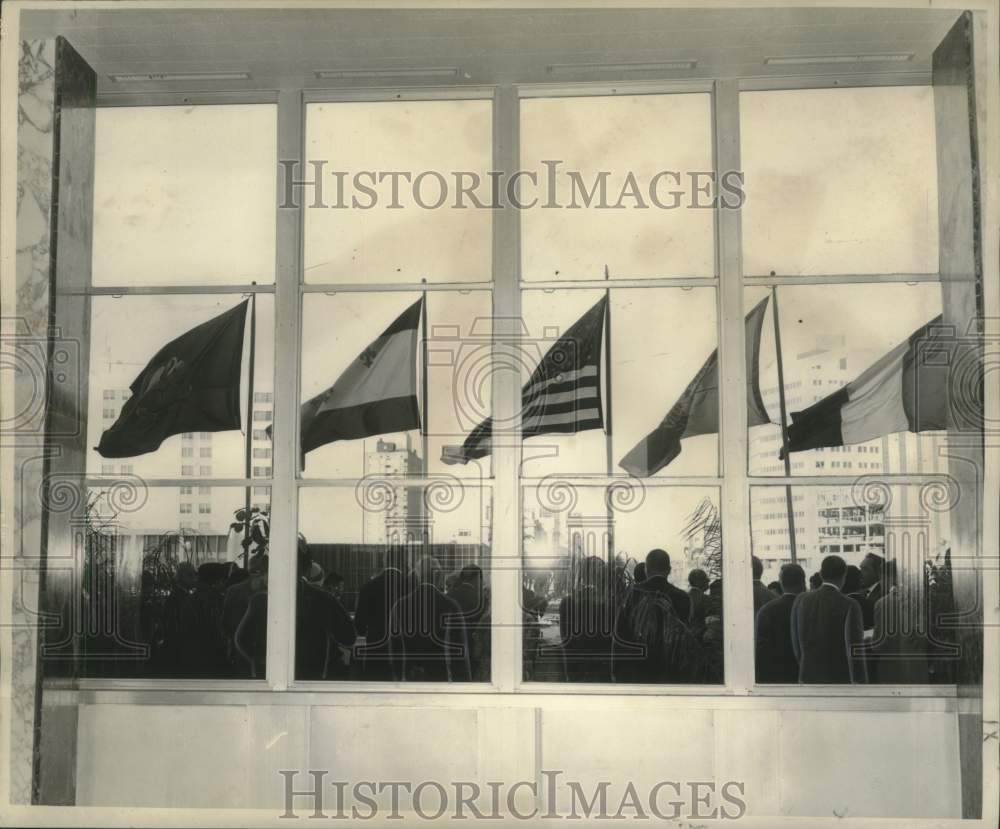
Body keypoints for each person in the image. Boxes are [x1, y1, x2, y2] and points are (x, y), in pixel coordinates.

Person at [612, 549, 705, 683]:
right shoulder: (682, 597)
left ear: (646, 569)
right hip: (670, 674)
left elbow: (619, 636)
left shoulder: (632, 593)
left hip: (637, 671)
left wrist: (616, 671)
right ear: (669, 570)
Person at [390, 556, 470, 682]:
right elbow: (459, 649)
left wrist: (398, 677)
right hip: (440, 674)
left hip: (411, 674)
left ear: (417, 576)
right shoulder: (450, 605)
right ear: (438, 576)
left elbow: (395, 648)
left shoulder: (400, 605)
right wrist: (464, 682)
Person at [790, 555, 867, 684]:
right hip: (839, 678)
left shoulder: (801, 600)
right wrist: (861, 681)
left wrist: (804, 665)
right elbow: (854, 648)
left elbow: (796, 643)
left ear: (821, 574)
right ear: (844, 576)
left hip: (807, 676)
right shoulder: (850, 604)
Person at [870, 560, 930, 684]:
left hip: (893, 672)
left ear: (889, 578)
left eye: (881, 578)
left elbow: (878, 645)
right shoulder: (920, 600)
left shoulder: (883, 604)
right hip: (918, 671)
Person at [559, 556, 616, 682]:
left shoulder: (567, 602)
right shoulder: (610, 604)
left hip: (575, 670)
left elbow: (565, 641)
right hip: (601, 672)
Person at [354, 557, 410, 680]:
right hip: (403, 648)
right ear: (403, 563)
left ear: (384, 562)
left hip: (375, 646)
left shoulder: (367, 587)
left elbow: (359, 624)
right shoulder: (410, 587)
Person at [754, 563, 806, 683]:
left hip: (776, 677)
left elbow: (761, 651)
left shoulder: (767, 610)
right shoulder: (810, 608)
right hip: (804, 676)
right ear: (803, 583)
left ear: (781, 583)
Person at [447, 564, 490, 681]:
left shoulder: (449, 596)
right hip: (473, 649)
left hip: (451, 648)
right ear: (478, 579)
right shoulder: (481, 599)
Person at [858, 552, 886, 630]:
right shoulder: (861, 592)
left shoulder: (883, 595)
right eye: (860, 568)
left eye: (865, 569)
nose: (860, 573)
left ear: (878, 572)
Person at [687, 568, 709, 635]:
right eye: (705, 578)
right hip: (700, 637)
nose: (708, 581)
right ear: (698, 582)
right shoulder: (704, 598)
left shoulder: (686, 597)